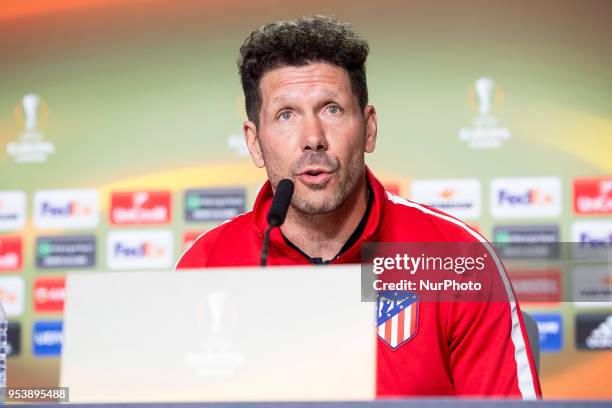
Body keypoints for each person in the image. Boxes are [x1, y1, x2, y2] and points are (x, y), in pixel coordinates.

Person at [177, 15, 541, 398]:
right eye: (286, 115)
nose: (312, 138)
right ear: (254, 142)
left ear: (368, 128)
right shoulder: (205, 264)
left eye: (331, 109)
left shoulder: (459, 258)